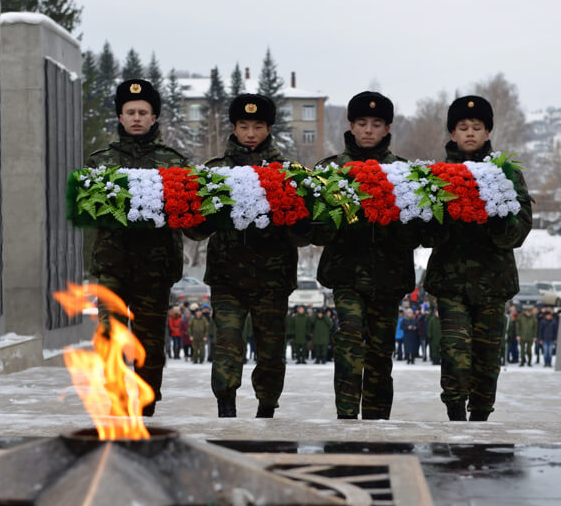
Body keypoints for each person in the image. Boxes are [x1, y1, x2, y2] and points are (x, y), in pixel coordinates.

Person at [190, 93, 310, 418]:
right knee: (226, 345)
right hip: (227, 278)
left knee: (270, 351)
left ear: (269, 128)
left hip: (273, 279)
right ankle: (225, 408)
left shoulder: (289, 173)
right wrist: (202, 216)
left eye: (258, 126)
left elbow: (304, 236)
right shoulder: (215, 172)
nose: (251, 133)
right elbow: (194, 230)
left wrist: (297, 217)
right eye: (244, 126)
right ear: (234, 127)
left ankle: (266, 409)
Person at [422, 95, 532, 421]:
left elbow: (520, 230)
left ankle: (481, 418)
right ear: (452, 133)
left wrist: (500, 221)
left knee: (487, 354)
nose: (470, 133)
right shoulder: (436, 175)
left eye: (477, 127)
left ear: (487, 132)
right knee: (455, 350)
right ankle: (456, 413)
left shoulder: (507, 174)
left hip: (493, 281)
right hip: (450, 281)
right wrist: (440, 218)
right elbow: (423, 234)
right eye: (463, 127)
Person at [87, 79, 188, 416]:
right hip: (112, 265)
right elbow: (87, 213)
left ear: (154, 117)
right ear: (120, 116)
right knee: (109, 334)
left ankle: (146, 403)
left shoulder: (173, 162)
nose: (136, 118)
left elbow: (186, 214)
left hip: (155, 267)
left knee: (150, 342)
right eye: (130, 112)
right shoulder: (99, 162)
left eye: (143, 112)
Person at [315, 91, 417, 420]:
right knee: (348, 339)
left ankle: (377, 422)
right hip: (345, 273)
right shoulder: (330, 170)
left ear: (387, 128)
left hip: (389, 276)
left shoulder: (405, 172)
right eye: (362, 123)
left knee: (380, 352)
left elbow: (419, 232)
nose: (368, 130)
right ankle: (346, 417)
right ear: (351, 126)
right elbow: (314, 229)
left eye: (376, 123)